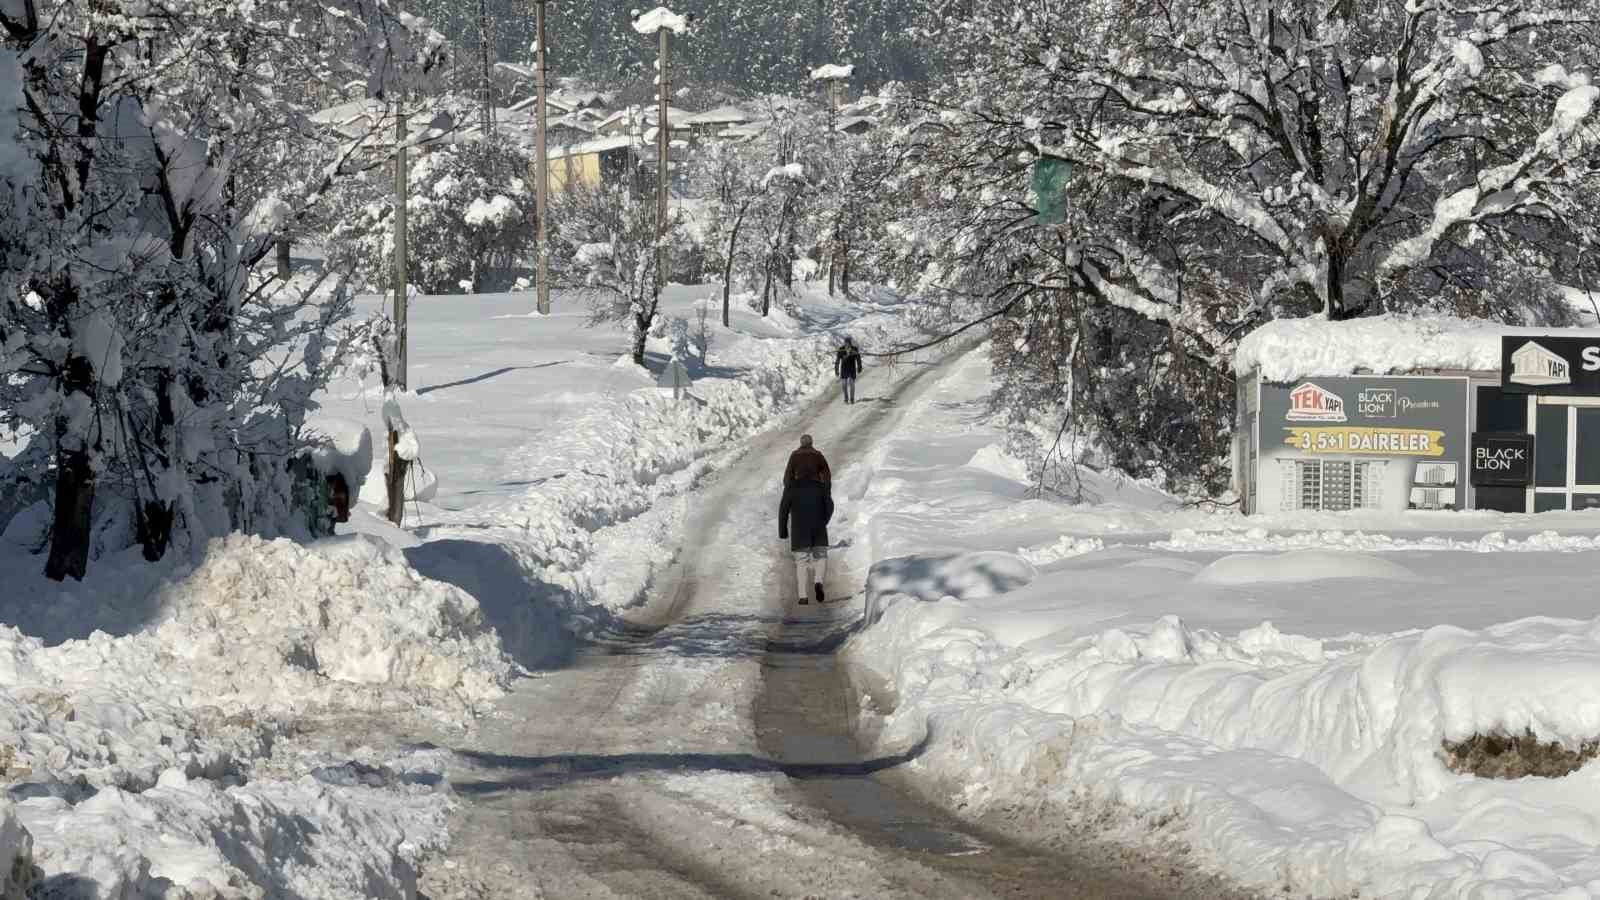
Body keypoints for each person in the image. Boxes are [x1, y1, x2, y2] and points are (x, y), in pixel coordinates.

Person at [779, 434, 833, 605]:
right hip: (818, 524)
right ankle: (818, 581)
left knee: (801, 561)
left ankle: (803, 596)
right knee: (821, 555)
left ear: (800, 443)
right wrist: (824, 518)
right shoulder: (819, 456)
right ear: (812, 443)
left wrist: (783, 531)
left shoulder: (794, 458)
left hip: (799, 527)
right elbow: (830, 502)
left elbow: (783, 509)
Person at [834, 337, 864, 405]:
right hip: (844, 369)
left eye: (848, 343)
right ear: (844, 343)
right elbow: (837, 360)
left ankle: (852, 399)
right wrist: (836, 369)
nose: (847, 345)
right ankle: (846, 398)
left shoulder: (854, 349)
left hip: (851, 369)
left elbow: (858, 359)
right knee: (844, 385)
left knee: (851, 384)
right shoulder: (841, 350)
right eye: (846, 343)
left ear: (850, 343)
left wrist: (859, 367)